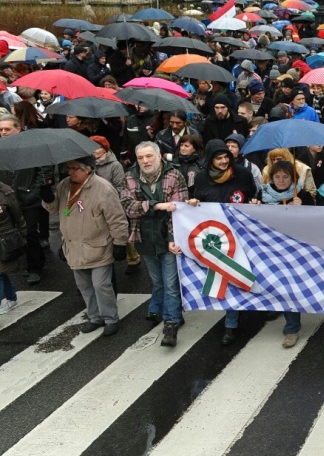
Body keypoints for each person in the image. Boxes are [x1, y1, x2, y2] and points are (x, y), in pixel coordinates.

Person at [42, 157, 129, 336]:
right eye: (68, 168)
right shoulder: (64, 185)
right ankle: (95, 317)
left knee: (101, 285)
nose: (70, 172)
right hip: (73, 246)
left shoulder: (103, 188)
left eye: (74, 168)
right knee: (84, 286)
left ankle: (111, 318)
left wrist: (120, 243)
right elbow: (54, 209)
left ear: (87, 168)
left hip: (98, 246)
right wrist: (48, 198)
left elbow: (117, 218)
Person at [189, 140, 260, 345]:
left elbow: (253, 195)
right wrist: (193, 204)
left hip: (242, 234)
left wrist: (255, 201)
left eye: (226, 157)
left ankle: (250, 312)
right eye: (218, 158)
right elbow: (197, 204)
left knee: (242, 274)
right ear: (210, 160)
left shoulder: (242, 174)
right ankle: (231, 324)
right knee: (226, 277)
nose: (223, 161)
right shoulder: (201, 179)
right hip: (217, 239)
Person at [119, 142, 187, 347]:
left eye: (149, 156)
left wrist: (173, 240)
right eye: (140, 158)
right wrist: (157, 205)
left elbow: (179, 210)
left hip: (166, 237)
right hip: (143, 238)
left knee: (171, 284)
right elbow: (128, 207)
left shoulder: (175, 175)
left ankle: (171, 323)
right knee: (158, 282)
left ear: (159, 156)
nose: (145, 161)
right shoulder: (129, 177)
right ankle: (168, 312)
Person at [0, 113, 47, 284]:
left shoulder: (30, 148)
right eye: (0, 129)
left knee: (30, 232)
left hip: (29, 199)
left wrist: (34, 193)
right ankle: (28, 260)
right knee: (13, 232)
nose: (3, 132)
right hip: (7, 199)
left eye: (7, 129)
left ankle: (35, 267)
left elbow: (42, 173)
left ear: (17, 129)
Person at [0, 180, 26, 314]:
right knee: (1, 272)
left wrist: (24, 234)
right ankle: (11, 298)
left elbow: (18, 215)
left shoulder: (6, 192)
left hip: (4, 240)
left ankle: (11, 298)